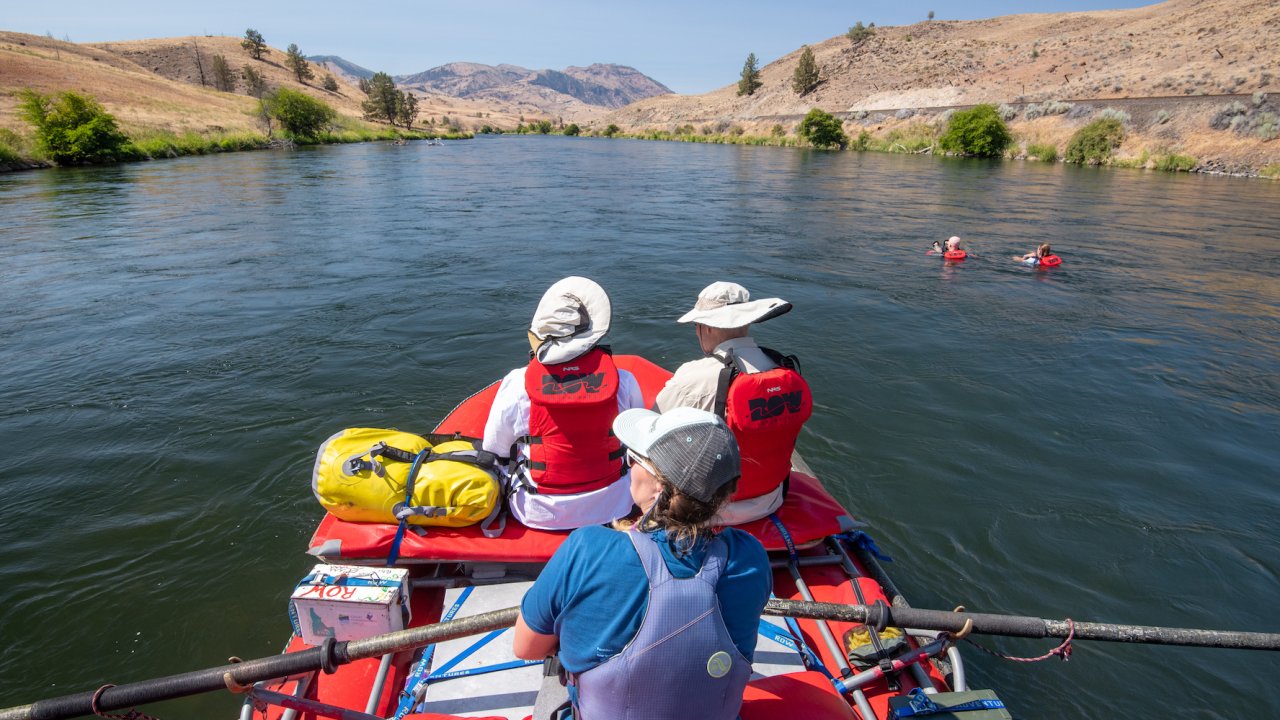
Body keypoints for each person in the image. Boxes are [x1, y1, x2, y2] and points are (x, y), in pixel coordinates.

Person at [514, 407, 772, 720]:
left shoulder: (589, 549)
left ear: (659, 485)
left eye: (632, 459)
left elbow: (526, 648)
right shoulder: (751, 557)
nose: (630, 467)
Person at [482, 276, 645, 530]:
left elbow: (496, 449)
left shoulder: (516, 384)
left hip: (536, 512)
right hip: (613, 506)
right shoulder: (624, 381)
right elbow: (638, 443)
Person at [655, 282, 811, 525]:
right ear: (746, 322)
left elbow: (656, 432)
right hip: (772, 497)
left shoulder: (693, 375)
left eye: (697, 326)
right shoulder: (782, 366)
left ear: (705, 328)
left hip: (709, 510)